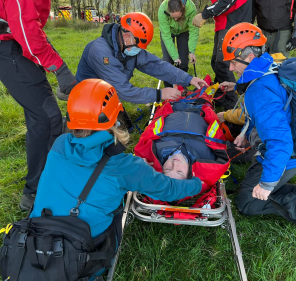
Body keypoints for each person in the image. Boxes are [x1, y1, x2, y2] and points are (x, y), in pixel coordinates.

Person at [30, 78, 202, 243]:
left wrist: (136, 169)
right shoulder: (126, 167)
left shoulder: (60, 144)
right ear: (116, 119)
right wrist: (197, 184)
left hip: (37, 233)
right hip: (82, 247)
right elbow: (169, 190)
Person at [220, 23, 296, 235]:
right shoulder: (271, 64)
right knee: (242, 157)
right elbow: (265, 109)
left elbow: (280, 142)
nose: (230, 68)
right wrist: (246, 135)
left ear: (250, 58)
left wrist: (266, 183)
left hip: (288, 155)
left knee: (247, 202)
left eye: (233, 63)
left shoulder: (259, 93)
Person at [0, 0, 77, 211]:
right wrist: (60, 69)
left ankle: (52, 172)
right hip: (10, 46)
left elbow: (32, 27)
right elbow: (26, 31)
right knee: (46, 118)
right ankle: (35, 191)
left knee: (40, 115)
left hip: (16, 42)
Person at [76, 12, 208, 106]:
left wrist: (188, 79)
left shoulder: (128, 46)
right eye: (138, 46)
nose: (139, 50)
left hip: (110, 92)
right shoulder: (100, 51)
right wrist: (160, 94)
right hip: (90, 98)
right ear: (127, 36)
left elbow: (157, 65)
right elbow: (123, 90)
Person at [192, 0, 252, 110]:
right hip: (225, 22)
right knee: (216, 62)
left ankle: (232, 106)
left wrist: (204, 14)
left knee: (223, 64)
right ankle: (220, 99)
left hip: (233, 22)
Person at [158, 0, 199, 87]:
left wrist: (192, 51)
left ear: (183, 9)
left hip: (184, 31)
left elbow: (194, 30)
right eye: (173, 17)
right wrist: (175, 57)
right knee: (168, 60)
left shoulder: (191, 8)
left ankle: (182, 87)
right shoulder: (162, 9)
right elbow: (166, 36)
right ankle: (169, 88)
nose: (176, 19)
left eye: (178, 17)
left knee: (183, 61)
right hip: (168, 32)